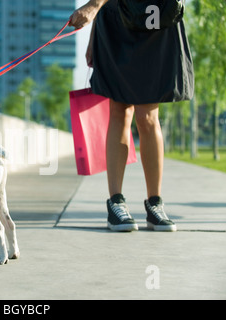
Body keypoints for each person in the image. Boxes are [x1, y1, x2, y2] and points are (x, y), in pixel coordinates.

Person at [69, 0, 194, 232]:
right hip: (116, 22)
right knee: (120, 110)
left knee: (148, 115)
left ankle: (155, 203)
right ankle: (116, 203)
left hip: (157, 16)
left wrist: (93, 5)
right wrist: (94, 34)